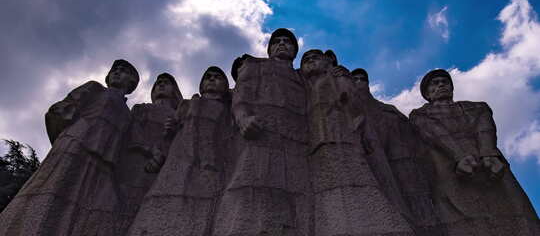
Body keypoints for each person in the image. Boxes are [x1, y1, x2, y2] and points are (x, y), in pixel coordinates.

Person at [0, 59, 139, 236]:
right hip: (75, 144)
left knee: (84, 205)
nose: (117, 72)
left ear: (132, 83)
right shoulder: (95, 88)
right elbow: (62, 110)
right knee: (51, 189)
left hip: (104, 162)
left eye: (124, 71)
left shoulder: (129, 115)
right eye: (115, 69)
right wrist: (73, 134)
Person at [410, 69, 540, 236]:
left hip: (491, 163)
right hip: (448, 168)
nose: (441, 85)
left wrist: (489, 154)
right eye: (435, 83)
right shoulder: (419, 115)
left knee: (517, 211)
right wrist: (459, 156)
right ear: (427, 93)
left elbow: (485, 128)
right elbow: (434, 134)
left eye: (445, 82)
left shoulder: (477, 107)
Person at [302, 50, 414, 236]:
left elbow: (351, 101)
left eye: (315, 58)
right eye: (306, 60)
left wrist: (356, 125)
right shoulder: (308, 85)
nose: (310, 62)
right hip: (322, 141)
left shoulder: (335, 76)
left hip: (341, 137)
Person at [213, 28, 311, 236]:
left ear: (295, 51)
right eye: (276, 41)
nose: (282, 44)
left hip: (299, 142)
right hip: (262, 134)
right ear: (269, 49)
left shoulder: (303, 78)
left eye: (287, 41)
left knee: (300, 204)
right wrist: (242, 119)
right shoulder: (255, 65)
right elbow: (241, 96)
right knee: (251, 196)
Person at [128, 66, 232, 236]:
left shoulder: (229, 110)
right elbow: (168, 139)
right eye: (207, 77)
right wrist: (162, 147)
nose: (211, 79)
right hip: (177, 165)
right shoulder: (187, 105)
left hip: (212, 166)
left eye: (217, 77)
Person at [351, 68, 441, 235]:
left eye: (362, 79)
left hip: (404, 165)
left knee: (419, 208)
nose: (358, 83)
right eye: (354, 79)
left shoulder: (388, 110)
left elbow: (413, 137)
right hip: (371, 167)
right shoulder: (347, 112)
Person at [116, 73, 182, 233]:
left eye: (166, 83)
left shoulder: (180, 115)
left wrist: (175, 131)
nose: (160, 85)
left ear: (175, 91)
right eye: (158, 83)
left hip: (166, 171)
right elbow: (131, 132)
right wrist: (149, 150)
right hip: (136, 164)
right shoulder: (141, 108)